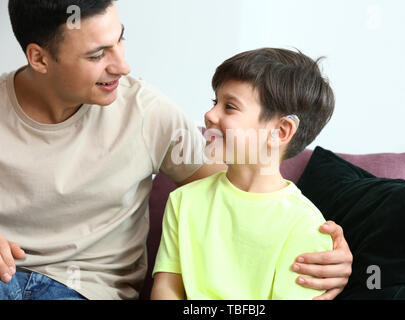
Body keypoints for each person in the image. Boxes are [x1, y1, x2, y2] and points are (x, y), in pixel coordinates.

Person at [0, 0, 352, 300]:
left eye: (120, 40)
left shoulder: (148, 114)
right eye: (97, 54)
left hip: (83, 290)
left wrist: (330, 245)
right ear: (39, 58)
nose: (123, 66)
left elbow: (244, 189)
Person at [151, 48, 337, 300]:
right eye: (215, 102)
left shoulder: (304, 224)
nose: (209, 115)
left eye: (229, 107)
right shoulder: (183, 201)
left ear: (280, 131)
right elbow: (167, 289)